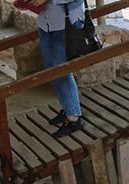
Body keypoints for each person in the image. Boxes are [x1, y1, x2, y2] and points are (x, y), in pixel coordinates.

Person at [31, 0, 85, 138]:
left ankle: (73, 118)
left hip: (65, 23)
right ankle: (66, 108)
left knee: (61, 71)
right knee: (51, 69)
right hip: (45, 23)